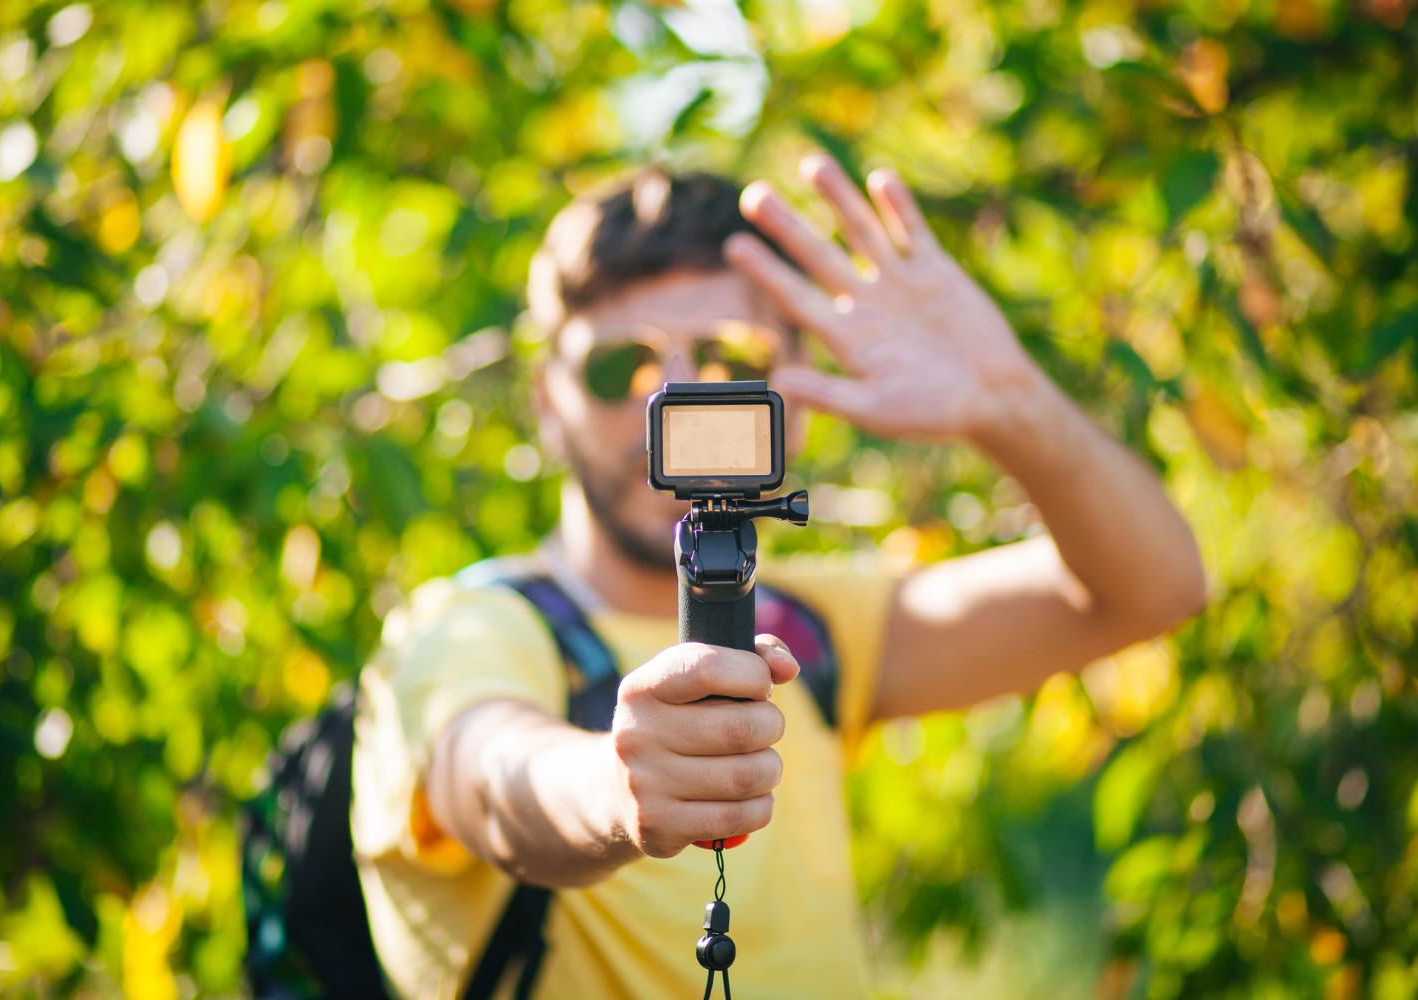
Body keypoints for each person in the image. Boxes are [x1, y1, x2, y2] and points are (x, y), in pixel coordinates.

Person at [348, 157, 1206, 999]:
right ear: (545, 397)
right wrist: (622, 784)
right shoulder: (464, 630)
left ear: (791, 390)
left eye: (731, 354)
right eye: (620, 367)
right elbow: (496, 779)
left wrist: (1011, 401)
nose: (677, 396)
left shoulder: (812, 624)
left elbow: (1157, 587)